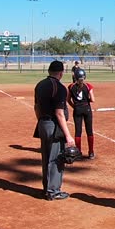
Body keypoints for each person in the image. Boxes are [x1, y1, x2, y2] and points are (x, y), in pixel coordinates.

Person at [34, 60, 76, 201]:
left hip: (42, 123)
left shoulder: (40, 85)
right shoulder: (59, 87)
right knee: (56, 158)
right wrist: (68, 135)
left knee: (46, 157)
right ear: (61, 73)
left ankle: (47, 189)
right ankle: (53, 191)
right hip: (54, 125)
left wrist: (41, 121)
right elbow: (59, 113)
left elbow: (36, 107)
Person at [67, 68, 96, 159]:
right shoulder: (88, 86)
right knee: (89, 131)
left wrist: (74, 106)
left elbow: (68, 100)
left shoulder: (71, 86)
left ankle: (78, 152)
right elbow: (93, 100)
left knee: (78, 132)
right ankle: (91, 152)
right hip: (87, 109)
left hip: (77, 110)